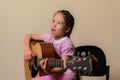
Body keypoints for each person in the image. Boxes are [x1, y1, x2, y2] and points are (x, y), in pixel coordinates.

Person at [24, 10, 75, 80]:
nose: (54, 24)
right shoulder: (50, 37)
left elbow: (63, 67)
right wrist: (27, 50)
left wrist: (47, 70)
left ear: (67, 29)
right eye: (53, 21)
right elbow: (29, 36)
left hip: (66, 76)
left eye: (59, 23)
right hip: (55, 73)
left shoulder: (67, 44)